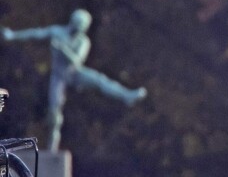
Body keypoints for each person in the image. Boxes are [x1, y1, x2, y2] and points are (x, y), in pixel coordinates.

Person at [1, 9, 147, 151]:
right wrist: (13, 35)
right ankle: (53, 145)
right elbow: (35, 33)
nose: (80, 29)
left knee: (101, 81)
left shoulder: (83, 41)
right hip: (58, 76)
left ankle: (127, 95)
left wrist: (62, 49)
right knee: (54, 111)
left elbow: (76, 61)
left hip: (75, 73)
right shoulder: (57, 32)